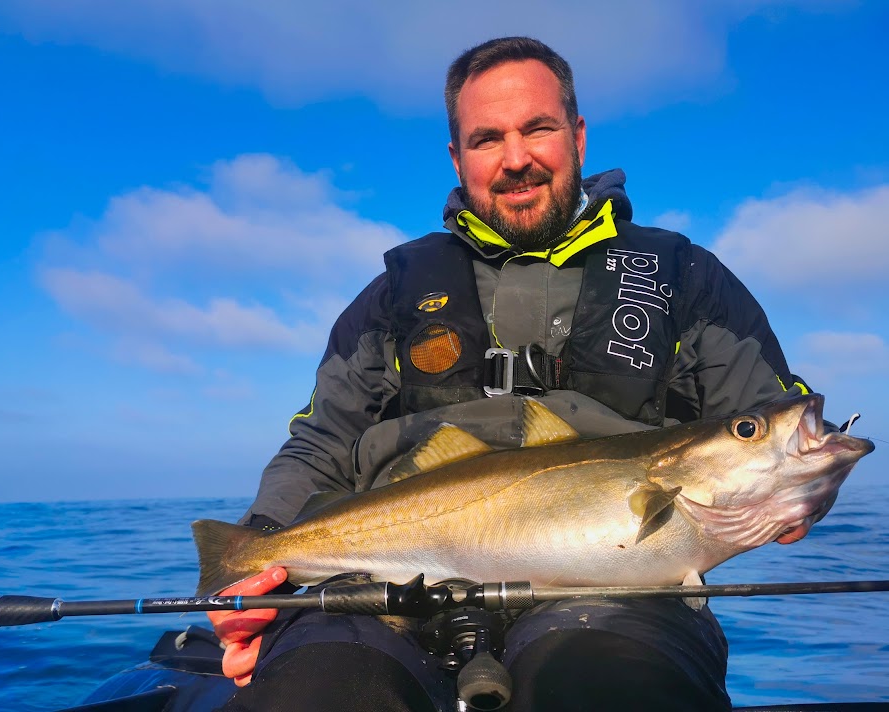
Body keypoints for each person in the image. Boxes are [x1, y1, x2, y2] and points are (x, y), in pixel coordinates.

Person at [207, 37, 826, 711]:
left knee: (609, 685)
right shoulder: (392, 295)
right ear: (457, 157)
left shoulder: (684, 276)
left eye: (538, 129)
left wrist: (804, 489)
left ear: (578, 136)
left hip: (617, 594)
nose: (516, 159)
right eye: (487, 138)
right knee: (317, 692)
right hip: (383, 584)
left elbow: (764, 422)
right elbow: (322, 441)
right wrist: (253, 563)